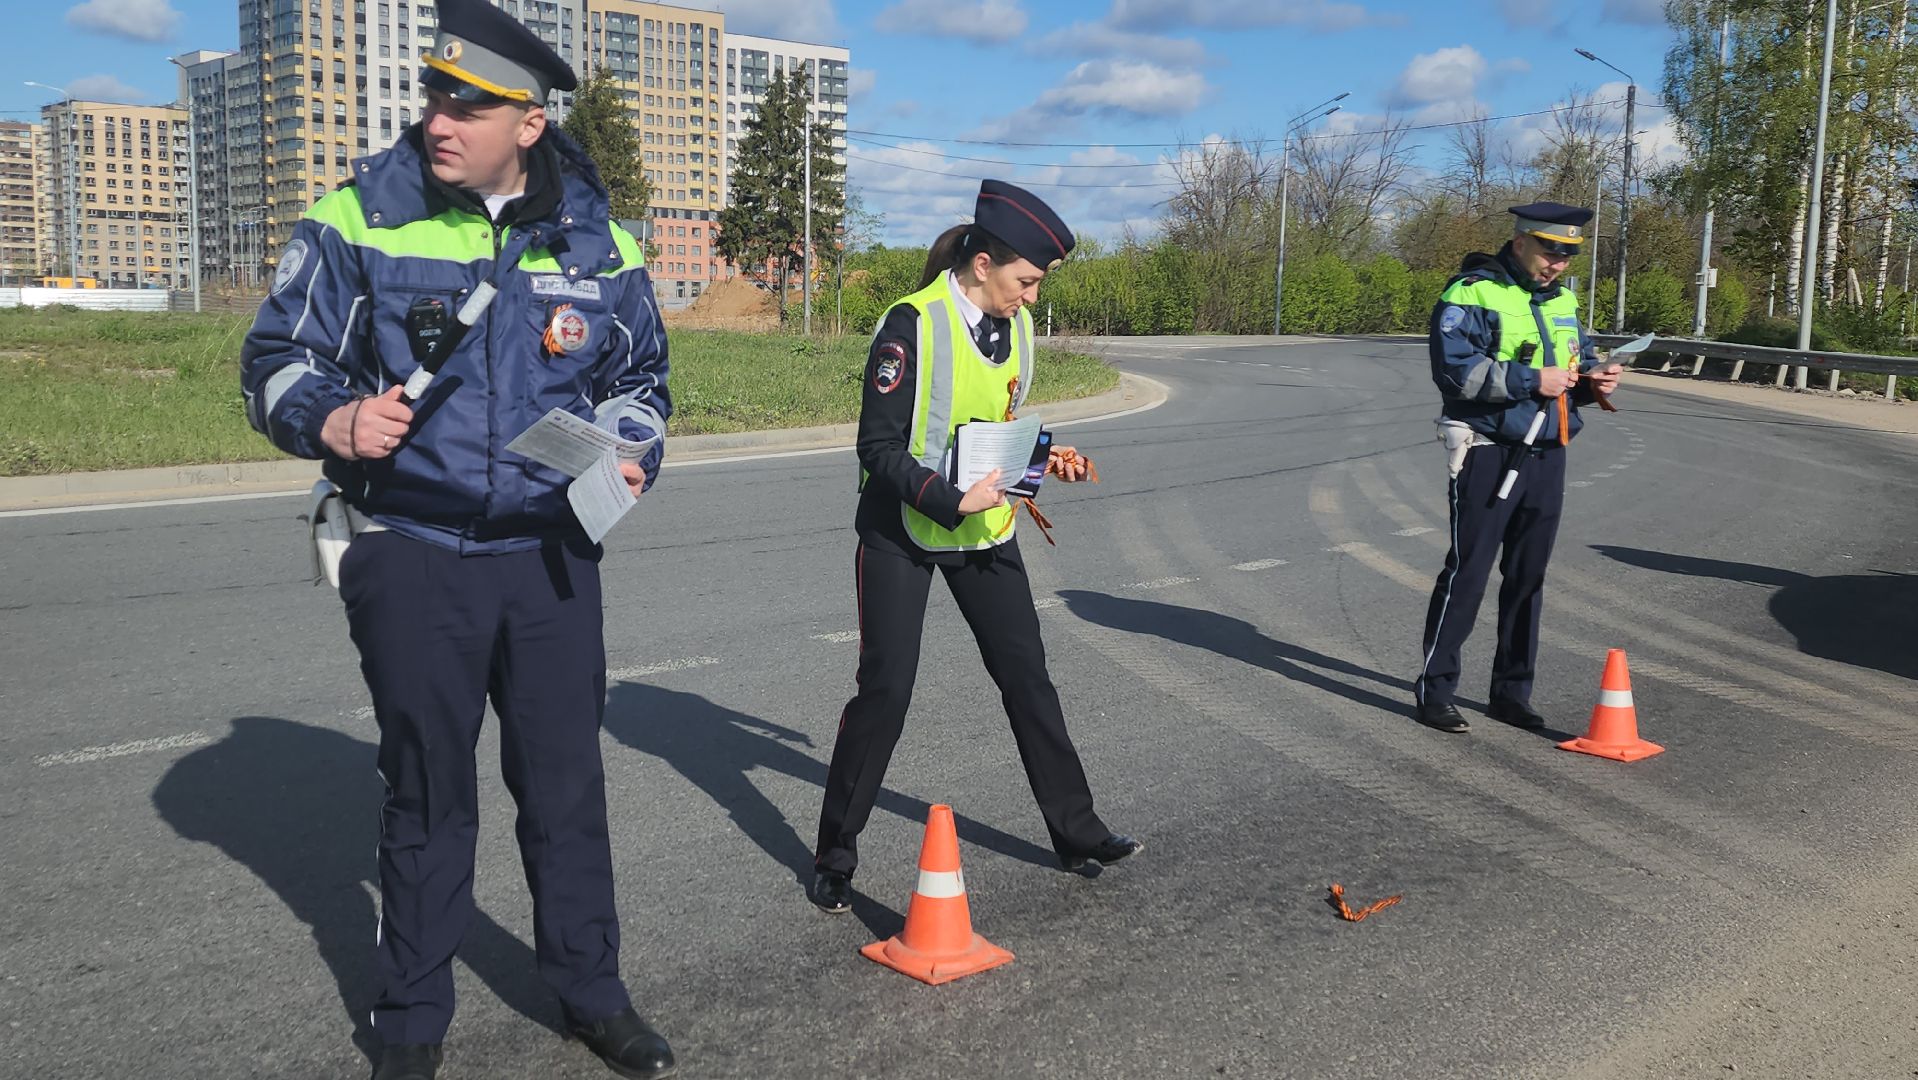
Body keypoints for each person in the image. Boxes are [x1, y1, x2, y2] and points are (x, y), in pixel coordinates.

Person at [238, 0, 674, 1076]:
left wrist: (629, 451)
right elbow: (273, 360)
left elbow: (642, 382)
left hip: (551, 556)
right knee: (429, 793)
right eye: (436, 95)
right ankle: (412, 1022)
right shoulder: (358, 218)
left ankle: (589, 989)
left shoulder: (599, 240)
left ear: (528, 122)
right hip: (413, 548)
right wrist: (328, 418)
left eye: (470, 105)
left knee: (566, 787)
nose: (441, 119)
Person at [808, 180, 1141, 914]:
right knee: (885, 690)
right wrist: (946, 498)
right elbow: (878, 446)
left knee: (1028, 676)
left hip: (984, 530)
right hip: (902, 527)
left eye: (1036, 286)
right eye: (1024, 281)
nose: (1030, 297)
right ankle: (835, 854)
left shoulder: (1017, 327)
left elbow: (996, 424)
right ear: (984, 263)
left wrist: (1043, 458)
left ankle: (1076, 830)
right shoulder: (911, 324)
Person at [1412, 202, 1624, 734]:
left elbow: (1574, 363)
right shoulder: (1471, 291)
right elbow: (1456, 372)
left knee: (1528, 577)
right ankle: (1435, 690)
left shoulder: (1563, 300)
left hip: (1548, 450)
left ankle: (1511, 692)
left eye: (1567, 257)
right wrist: (1533, 381)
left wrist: (1595, 381)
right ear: (1521, 241)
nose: (1557, 265)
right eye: (1550, 252)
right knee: (1469, 572)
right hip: (1487, 449)